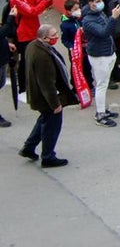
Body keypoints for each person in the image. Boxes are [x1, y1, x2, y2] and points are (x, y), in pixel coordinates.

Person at [19, 25, 75, 168]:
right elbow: (47, 84)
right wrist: (55, 104)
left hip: (38, 95)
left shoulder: (33, 46)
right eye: (53, 36)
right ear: (44, 38)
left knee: (44, 120)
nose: (56, 37)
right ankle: (48, 156)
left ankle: (29, 147)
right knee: (51, 126)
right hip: (46, 98)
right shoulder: (42, 56)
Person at [82, 0, 120, 127]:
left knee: (103, 84)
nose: (100, 3)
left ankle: (103, 109)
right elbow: (104, 32)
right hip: (99, 56)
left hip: (108, 53)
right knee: (101, 85)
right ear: (90, 3)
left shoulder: (98, 13)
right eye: (97, 1)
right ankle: (100, 114)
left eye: (100, 0)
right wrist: (113, 18)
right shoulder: (88, 21)